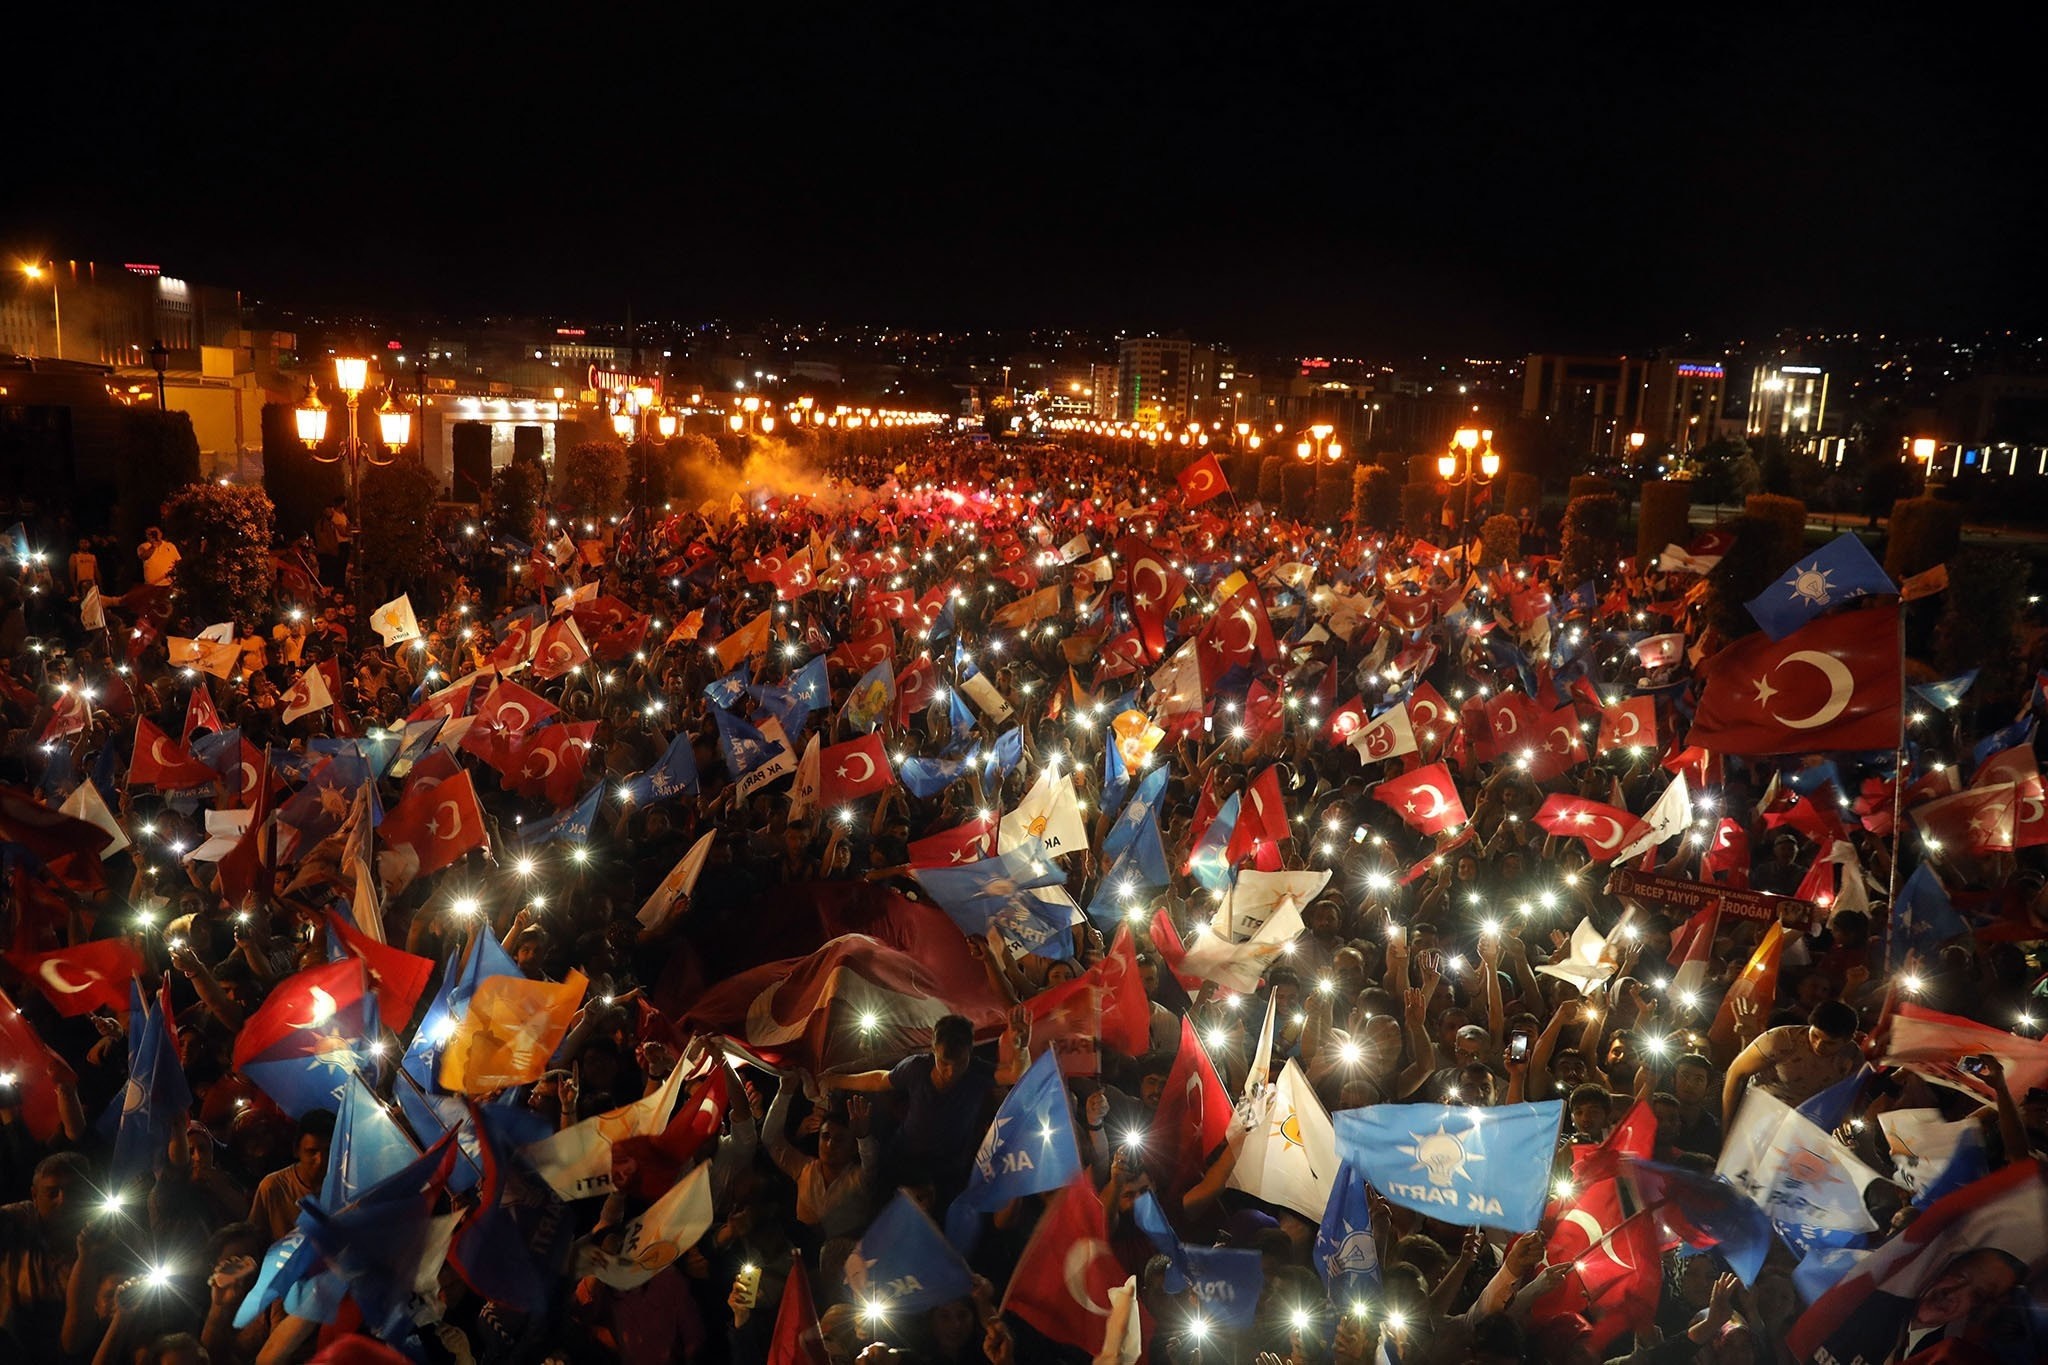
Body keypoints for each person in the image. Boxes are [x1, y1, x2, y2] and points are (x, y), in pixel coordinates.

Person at [1720, 1000, 1861, 1129]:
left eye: (1830, 1043)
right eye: (1815, 1036)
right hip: (1757, 1117)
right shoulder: (1781, 1040)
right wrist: (1727, 1126)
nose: (1819, 1046)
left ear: (1848, 1039)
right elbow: (1735, 1073)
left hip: (1803, 1128)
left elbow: (1845, 1103)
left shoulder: (1852, 1057)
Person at [247, 1112, 333, 1242]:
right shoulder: (273, 1187)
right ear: (296, 1150)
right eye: (311, 1152)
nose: (320, 1160)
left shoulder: (346, 1186)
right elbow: (254, 1239)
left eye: (328, 1151)